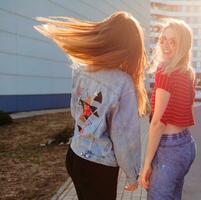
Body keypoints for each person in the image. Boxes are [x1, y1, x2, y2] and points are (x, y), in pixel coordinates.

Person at [34, 11, 149, 200]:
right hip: (99, 167)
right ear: (130, 47)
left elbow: (75, 110)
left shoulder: (83, 68)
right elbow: (124, 136)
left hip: (74, 156)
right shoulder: (123, 82)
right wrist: (131, 173)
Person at [140, 18, 197, 200]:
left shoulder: (164, 70)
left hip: (169, 149)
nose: (166, 45)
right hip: (186, 145)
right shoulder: (188, 72)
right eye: (163, 39)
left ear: (183, 46)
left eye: (173, 41)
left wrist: (147, 163)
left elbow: (158, 123)